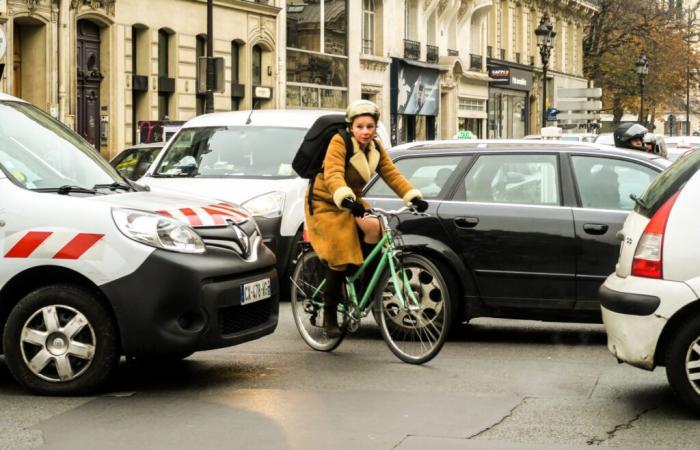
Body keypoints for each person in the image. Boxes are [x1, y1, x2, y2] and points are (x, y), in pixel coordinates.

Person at [304, 99, 428, 337]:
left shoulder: (376, 148)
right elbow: (333, 175)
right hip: (326, 200)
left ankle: (358, 283)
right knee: (340, 252)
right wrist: (345, 198)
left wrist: (411, 196)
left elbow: (392, 175)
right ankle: (330, 313)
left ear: (375, 127)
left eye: (370, 127)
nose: (365, 132)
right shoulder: (339, 142)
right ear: (351, 126)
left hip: (353, 199)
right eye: (360, 126)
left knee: (374, 228)